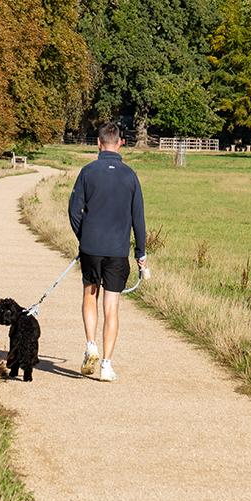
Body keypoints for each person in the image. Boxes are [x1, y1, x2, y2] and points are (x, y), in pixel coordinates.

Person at [69, 121, 149, 381]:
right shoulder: (130, 176)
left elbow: (74, 210)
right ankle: (106, 364)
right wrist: (141, 252)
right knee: (111, 306)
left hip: (91, 247)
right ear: (121, 143)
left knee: (90, 295)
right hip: (117, 250)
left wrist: (83, 236)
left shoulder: (87, 172)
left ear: (99, 143)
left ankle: (90, 343)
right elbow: (138, 218)